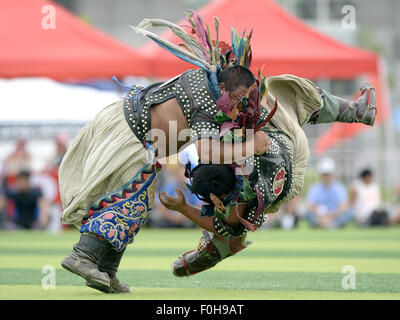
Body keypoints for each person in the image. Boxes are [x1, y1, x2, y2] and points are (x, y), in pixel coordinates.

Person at [59, 14, 270, 293]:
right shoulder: (208, 102)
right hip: (132, 137)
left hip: (132, 134)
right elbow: (207, 151)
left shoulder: (204, 79)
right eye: (238, 97)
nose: (239, 103)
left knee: (139, 203)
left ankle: (105, 270)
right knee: (131, 199)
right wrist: (251, 147)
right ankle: (82, 256)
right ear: (222, 87)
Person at [156, 13, 376, 277]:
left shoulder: (232, 189)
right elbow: (217, 166)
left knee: (268, 98)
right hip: (286, 154)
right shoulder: (237, 199)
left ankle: (216, 250)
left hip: (278, 159)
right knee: (282, 90)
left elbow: (212, 172)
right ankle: (354, 111)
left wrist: (183, 207)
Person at [304, 158, 353, 229]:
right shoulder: (315, 188)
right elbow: (310, 205)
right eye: (325, 174)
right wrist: (321, 215)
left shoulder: (339, 188)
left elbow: (343, 206)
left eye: (328, 174)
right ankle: (329, 225)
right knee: (308, 214)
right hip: (319, 215)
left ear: (332, 174)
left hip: (335, 215)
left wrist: (331, 215)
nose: (327, 177)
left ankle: (326, 224)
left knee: (349, 213)